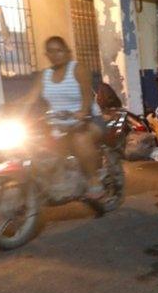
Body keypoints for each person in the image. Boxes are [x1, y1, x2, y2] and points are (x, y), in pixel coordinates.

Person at [20, 36, 104, 199]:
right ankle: (55, 182)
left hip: (89, 119)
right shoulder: (44, 75)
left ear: (67, 52)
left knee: (80, 139)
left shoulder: (78, 69)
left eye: (59, 50)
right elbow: (30, 98)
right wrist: (8, 109)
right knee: (35, 144)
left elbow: (87, 94)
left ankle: (94, 180)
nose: (54, 54)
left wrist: (83, 111)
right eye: (50, 51)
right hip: (58, 124)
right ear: (46, 54)